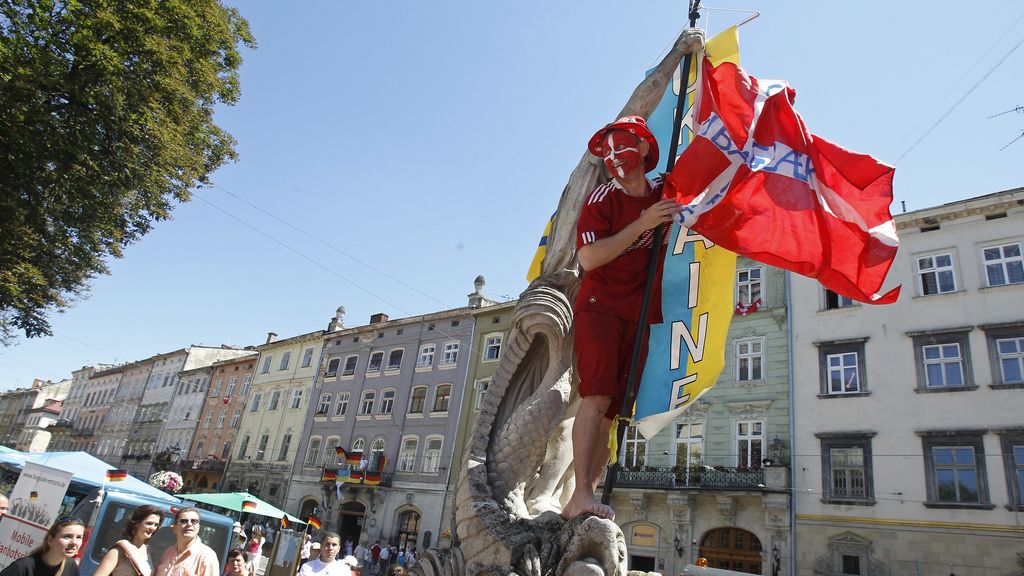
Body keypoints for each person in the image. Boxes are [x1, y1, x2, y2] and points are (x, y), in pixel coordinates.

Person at [560, 115, 683, 521]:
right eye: (606, 151)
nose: (613, 157)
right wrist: (644, 223)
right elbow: (589, 258)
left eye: (621, 146)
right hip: (600, 307)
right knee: (595, 398)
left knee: (613, 412)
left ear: (644, 148)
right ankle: (580, 493)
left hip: (640, 311)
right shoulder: (601, 199)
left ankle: (587, 498)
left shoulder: (666, 189)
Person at [94, 504, 165, 576]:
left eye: (156, 525)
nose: (153, 528)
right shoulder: (119, 550)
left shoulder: (149, 551)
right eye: (149, 523)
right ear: (136, 523)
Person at [0, 516, 83, 576]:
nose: (74, 542)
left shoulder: (71, 566)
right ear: (50, 540)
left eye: (79, 537)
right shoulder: (22, 567)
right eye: (67, 536)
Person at [155, 507, 219, 576]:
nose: (189, 524)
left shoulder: (207, 556)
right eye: (183, 521)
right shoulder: (167, 553)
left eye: (194, 521)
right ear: (175, 528)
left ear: (198, 528)